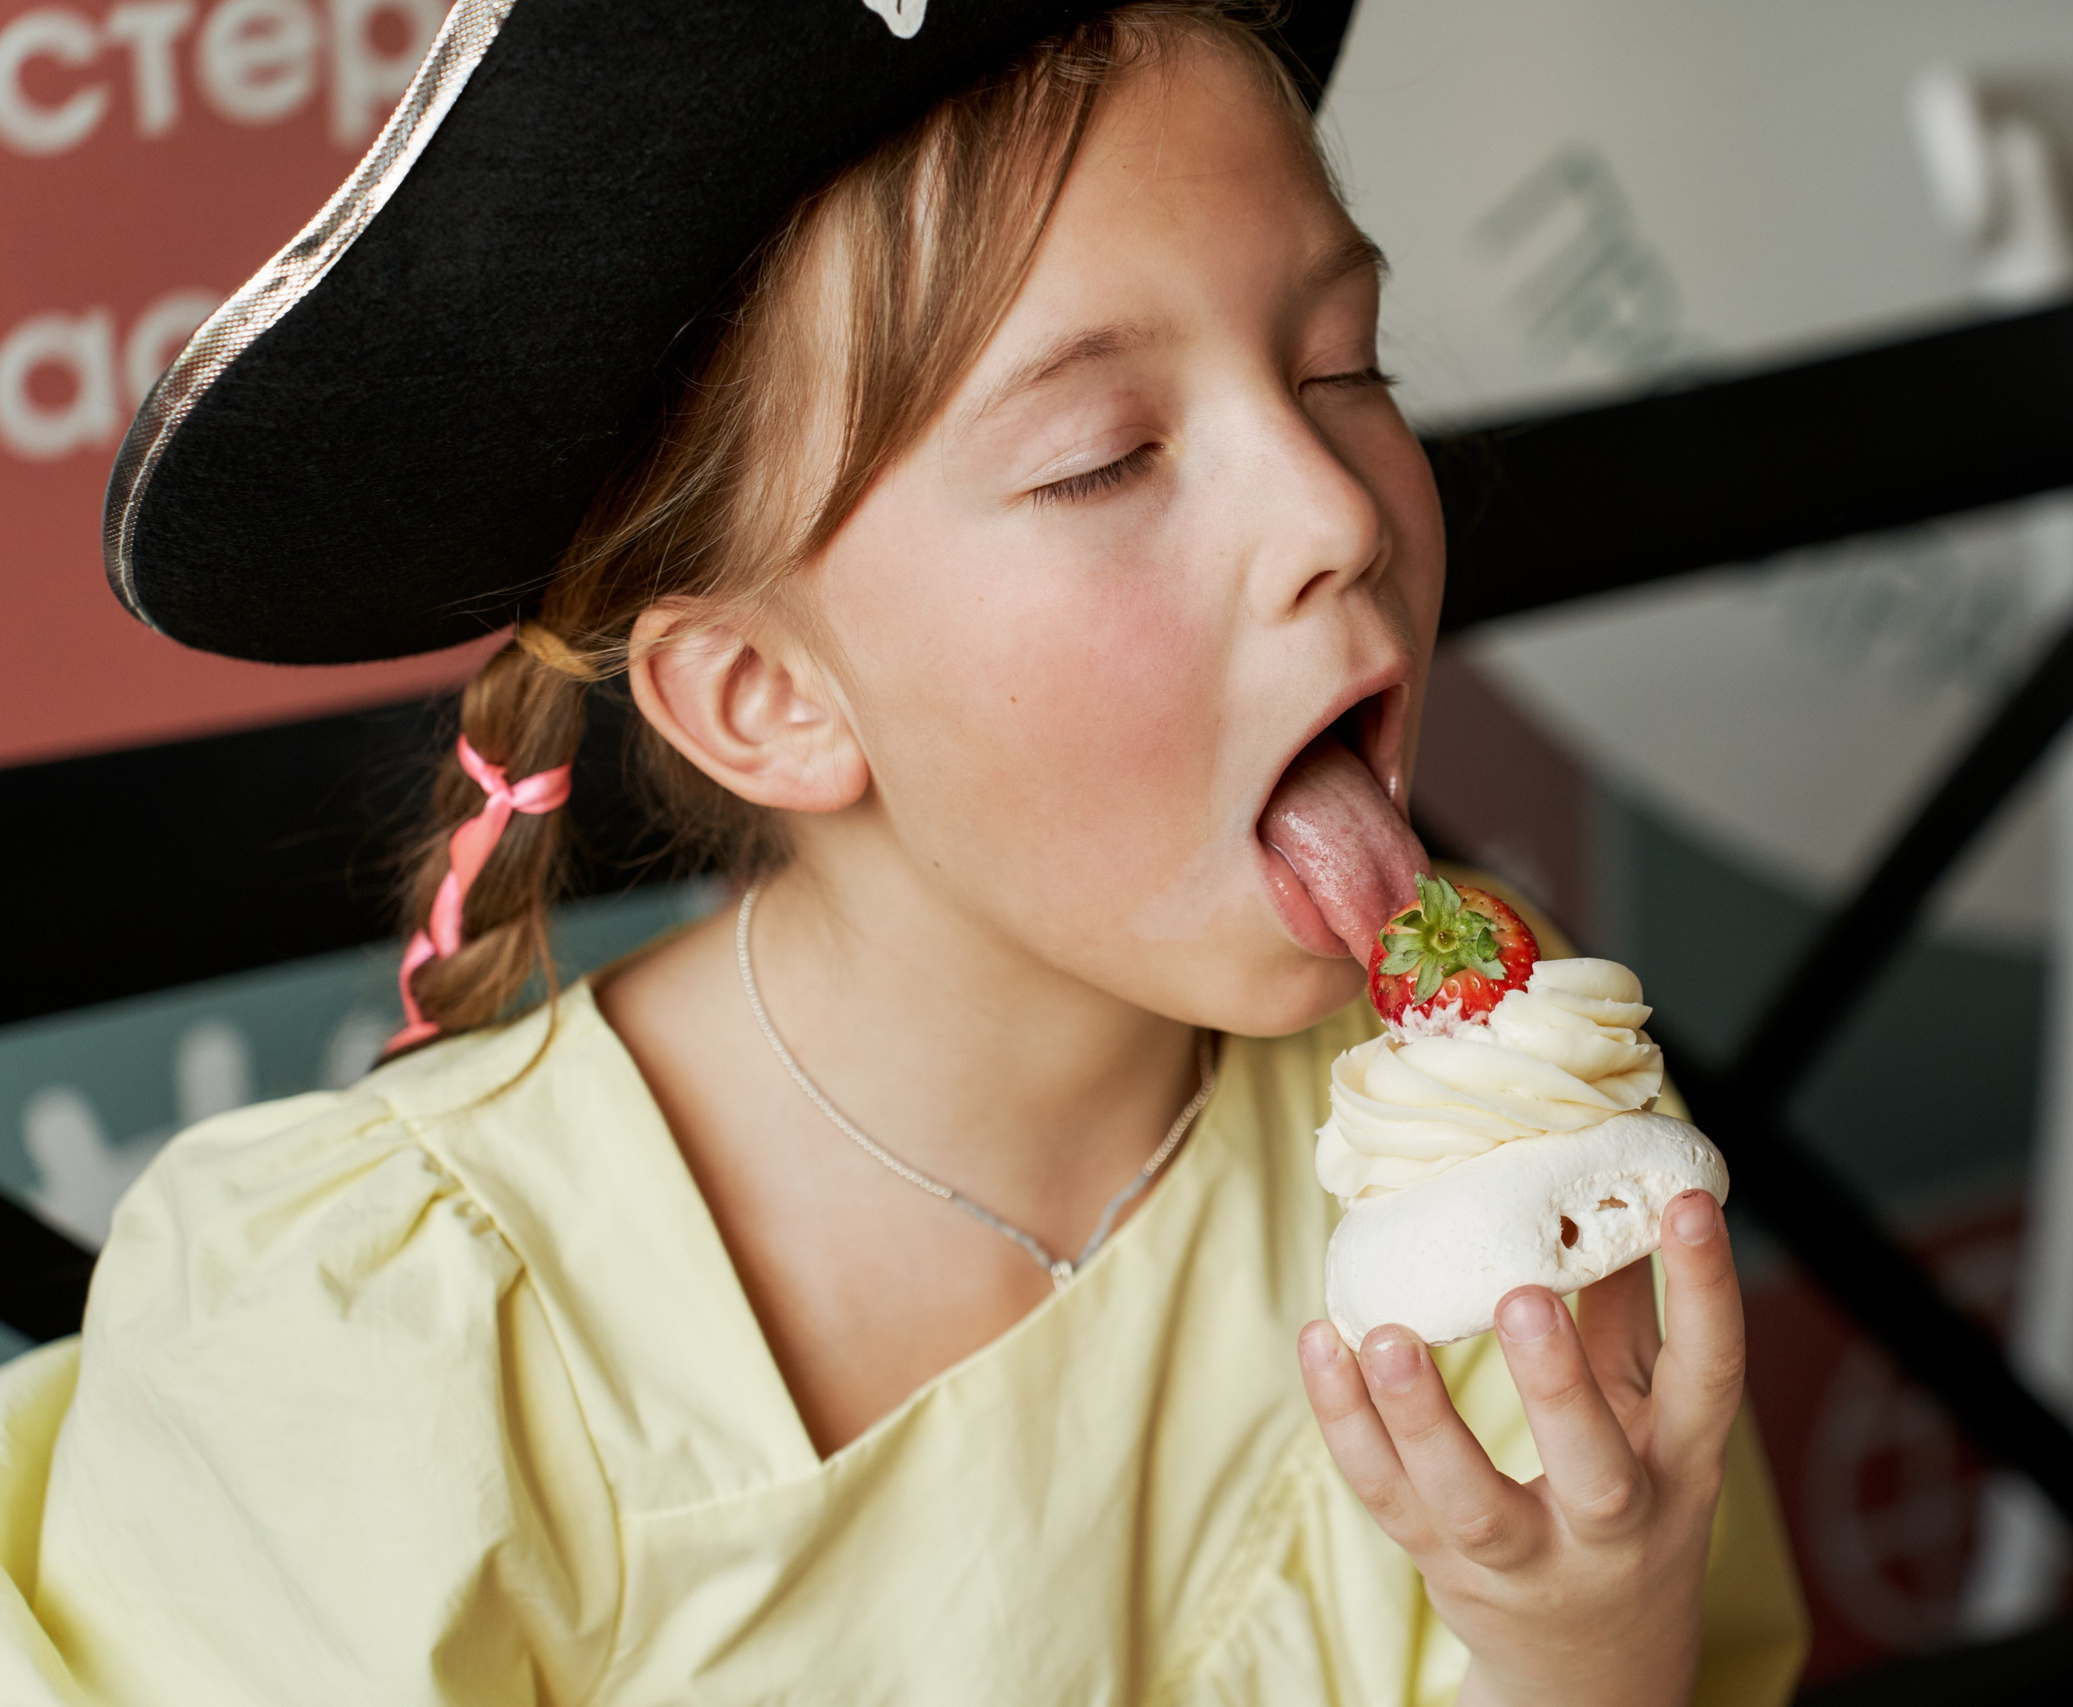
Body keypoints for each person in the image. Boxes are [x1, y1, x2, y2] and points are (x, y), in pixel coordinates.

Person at [4, 3, 1807, 1700]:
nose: (1337, 508)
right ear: (768, 696)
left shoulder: (1483, 1125)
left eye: (1343, 361)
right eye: (1107, 457)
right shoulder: (358, 1355)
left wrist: (1589, 1624)